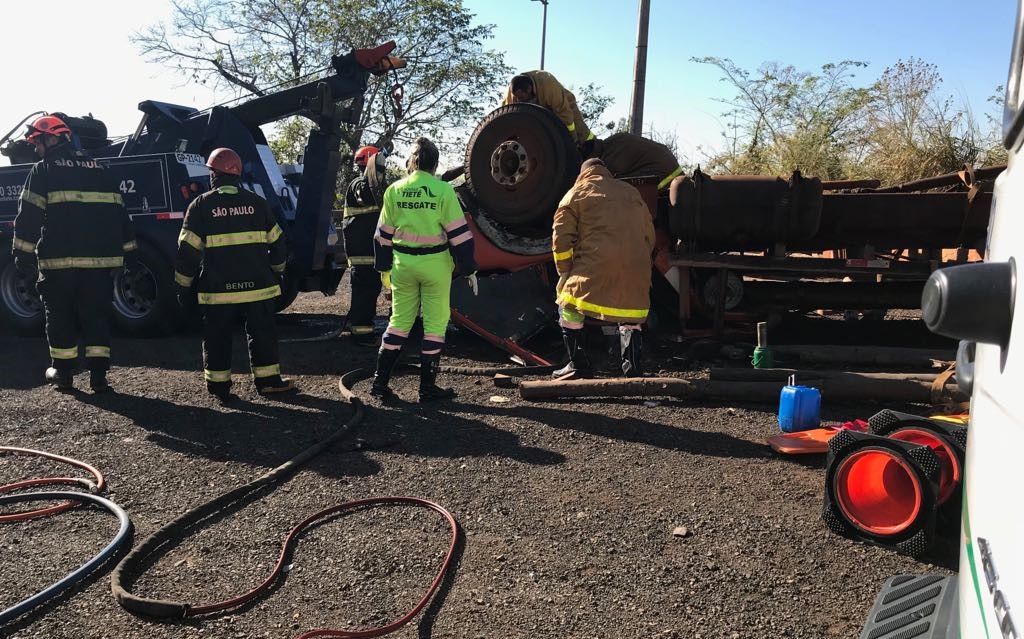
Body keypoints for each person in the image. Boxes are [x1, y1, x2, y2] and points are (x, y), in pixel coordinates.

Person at [11, 114, 137, 392]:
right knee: (97, 316)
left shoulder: (44, 170)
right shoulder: (101, 170)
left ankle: (64, 374)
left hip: (59, 264)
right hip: (100, 263)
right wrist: (130, 253)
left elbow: (29, 216)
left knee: (60, 316)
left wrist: (22, 254)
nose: (35, 148)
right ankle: (99, 376)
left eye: (37, 142)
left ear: (52, 138)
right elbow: (120, 214)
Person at [173, 147, 295, 403]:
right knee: (262, 333)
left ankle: (219, 388)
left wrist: (182, 286)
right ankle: (269, 382)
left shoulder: (201, 206)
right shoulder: (257, 203)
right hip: (259, 287)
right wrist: (278, 271)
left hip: (217, 290)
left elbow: (188, 252)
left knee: (217, 337)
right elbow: (279, 243)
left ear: (215, 175)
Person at [370, 137, 477, 402]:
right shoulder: (442, 191)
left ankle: (379, 385)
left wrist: (384, 268)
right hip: (435, 266)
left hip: (402, 265)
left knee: (399, 322)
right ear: (435, 163)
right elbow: (460, 236)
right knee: (435, 324)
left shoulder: (395, 190)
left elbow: (382, 236)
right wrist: (468, 269)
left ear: (413, 161)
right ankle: (427, 389)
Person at [552, 158, 655, 378]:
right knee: (631, 314)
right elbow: (650, 235)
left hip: (595, 266)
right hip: (638, 269)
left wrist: (565, 272)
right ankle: (632, 367)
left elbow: (561, 239)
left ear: (583, 174)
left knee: (567, 304)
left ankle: (577, 365)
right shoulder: (631, 192)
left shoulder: (576, 193)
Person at [341, 145, 389, 344]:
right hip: (363, 253)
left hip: (368, 251)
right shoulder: (360, 184)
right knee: (365, 292)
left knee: (367, 292)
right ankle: (362, 335)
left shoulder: (371, 185)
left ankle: (357, 326)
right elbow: (369, 195)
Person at [503, 71, 595, 149]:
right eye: (517, 97)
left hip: (563, 105)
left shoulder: (548, 84)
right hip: (538, 114)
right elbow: (506, 119)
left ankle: (597, 149)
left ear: (529, 89)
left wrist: (572, 141)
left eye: (522, 97)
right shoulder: (511, 96)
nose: (519, 100)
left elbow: (565, 115)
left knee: (581, 131)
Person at [591, 132, 683, 190]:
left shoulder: (609, 158)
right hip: (670, 167)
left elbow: (608, 183)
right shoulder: (614, 140)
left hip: (664, 175)